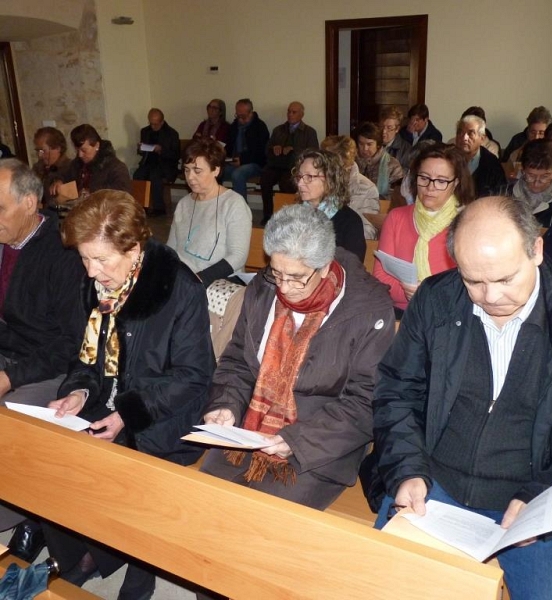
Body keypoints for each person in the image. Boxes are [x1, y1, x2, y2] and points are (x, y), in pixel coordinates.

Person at [372, 196, 552, 600]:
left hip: (536, 503)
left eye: (505, 279)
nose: (490, 296)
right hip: (434, 487)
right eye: (472, 280)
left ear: (537, 251)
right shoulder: (436, 299)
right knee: (379, 586)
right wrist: (407, 469)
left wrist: (548, 498)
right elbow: (396, 390)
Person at [44, 190, 215, 600]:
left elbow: (194, 376)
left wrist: (126, 413)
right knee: (53, 457)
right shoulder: (100, 287)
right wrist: (79, 393)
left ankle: (140, 568)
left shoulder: (179, 289)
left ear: (134, 248)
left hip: (164, 414)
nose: (90, 272)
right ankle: (86, 554)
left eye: (101, 259)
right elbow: (85, 358)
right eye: (85, 259)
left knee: (125, 473)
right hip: (110, 402)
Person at [200, 203, 394, 509]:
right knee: (201, 500)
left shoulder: (368, 309)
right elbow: (238, 360)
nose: (285, 288)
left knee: (263, 521)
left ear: (326, 266)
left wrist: (298, 440)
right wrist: (226, 404)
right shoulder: (263, 289)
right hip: (251, 427)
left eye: (296, 277)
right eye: (277, 273)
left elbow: (366, 400)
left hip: (319, 445)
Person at [0, 159, 85, 556]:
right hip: (9, 356)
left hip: (49, 368)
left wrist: (9, 376)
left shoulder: (62, 252)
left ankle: (20, 509)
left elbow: (69, 344)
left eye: (0, 208)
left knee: (11, 423)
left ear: (30, 203)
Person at [373, 142, 474, 316]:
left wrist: (428, 294)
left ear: (455, 183)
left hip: (451, 314)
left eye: (441, 181)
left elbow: (472, 283)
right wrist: (408, 292)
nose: (430, 187)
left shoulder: (467, 223)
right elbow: (380, 276)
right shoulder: (397, 217)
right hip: (402, 312)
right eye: (424, 178)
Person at [167, 138, 252, 287]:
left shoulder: (233, 204)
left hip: (220, 281)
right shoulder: (183, 204)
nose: (190, 177)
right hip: (185, 280)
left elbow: (238, 256)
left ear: (216, 170)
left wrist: (199, 279)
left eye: (197, 171)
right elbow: (171, 250)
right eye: (186, 170)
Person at [493, 139, 552, 257]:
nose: (537, 182)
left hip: (550, 266)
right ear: (522, 169)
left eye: (545, 176)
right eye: (530, 175)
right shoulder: (501, 195)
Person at [293, 148, 366, 261]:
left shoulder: (350, 222)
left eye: (309, 177)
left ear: (330, 179)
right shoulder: (293, 215)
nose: (300, 183)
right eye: (299, 177)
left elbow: (352, 269)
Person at [260, 101, 318, 224]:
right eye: (289, 111)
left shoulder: (309, 132)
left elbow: (313, 153)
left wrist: (293, 150)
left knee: (286, 182)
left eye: (294, 112)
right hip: (276, 165)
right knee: (265, 178)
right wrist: (274, 148)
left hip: (295, 168)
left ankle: (287, 216)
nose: (290, 114)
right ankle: (268, 215)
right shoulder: (278, 130)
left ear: (301, 114)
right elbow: (267, 150)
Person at [320, 134, 380, 239]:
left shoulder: (366, 189)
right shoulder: (315, 183)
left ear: (348, 165)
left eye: (332, 166)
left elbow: (367, 233)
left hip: (346, 248)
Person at [53, 124, 131, 196]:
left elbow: (123, 194)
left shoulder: (116, 167)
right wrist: (59, 181)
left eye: (84, 150)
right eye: (77, 150)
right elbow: (64, 174)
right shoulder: (78, 164)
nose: (80, 155)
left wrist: (93, 192)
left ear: (96, 145)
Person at [133, 108, 180, 215]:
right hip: (148, 163)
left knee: (155, 175)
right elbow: (142, 152)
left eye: (156, 124)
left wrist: (161, 150)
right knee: (138, 175)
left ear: (162, 122)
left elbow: (176, 155)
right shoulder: (145, 131)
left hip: (166, 164)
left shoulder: (172, 133)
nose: (153, 127)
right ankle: (141, 207)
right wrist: (141, 149)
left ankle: (159, 209)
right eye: (151, 123)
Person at [223, 98, 270, 200]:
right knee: (215, 171)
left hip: (255, 164)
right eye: (238, 115)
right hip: (234, 161)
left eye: (243, 116)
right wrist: (225, 156)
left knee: (238, 174)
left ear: (251, 113)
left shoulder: (260, 127)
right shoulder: (234, 126)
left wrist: (243, 160)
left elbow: (261, 153)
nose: (240, 119)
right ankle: (217, 205)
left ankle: (241, 210)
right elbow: (229, 145)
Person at [455, 114, 506, 197]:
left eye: (470, 133)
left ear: (482, 138)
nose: (464, 138)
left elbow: (499, 196)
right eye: (460, 132)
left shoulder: (492, 164)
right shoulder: (447, 158)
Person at [355, 121, 404, 200]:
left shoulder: (392, 165)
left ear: (378, 145)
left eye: (369, 144)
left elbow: (397, 195)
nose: (365, 148)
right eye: (361, 144)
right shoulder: (351, 162)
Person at [31, 127, 71, 208]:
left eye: (43, 151)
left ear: (57, 148)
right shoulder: (37, 168)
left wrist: (43, 206)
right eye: (38, 151)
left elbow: (68, 201)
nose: (40, 155)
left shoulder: (71, 168)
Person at [379, 106, 411, 170]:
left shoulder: (406, 149)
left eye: (389, 127)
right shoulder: (373, 143)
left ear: (397, 129)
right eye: (381, 126)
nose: (384, 131)